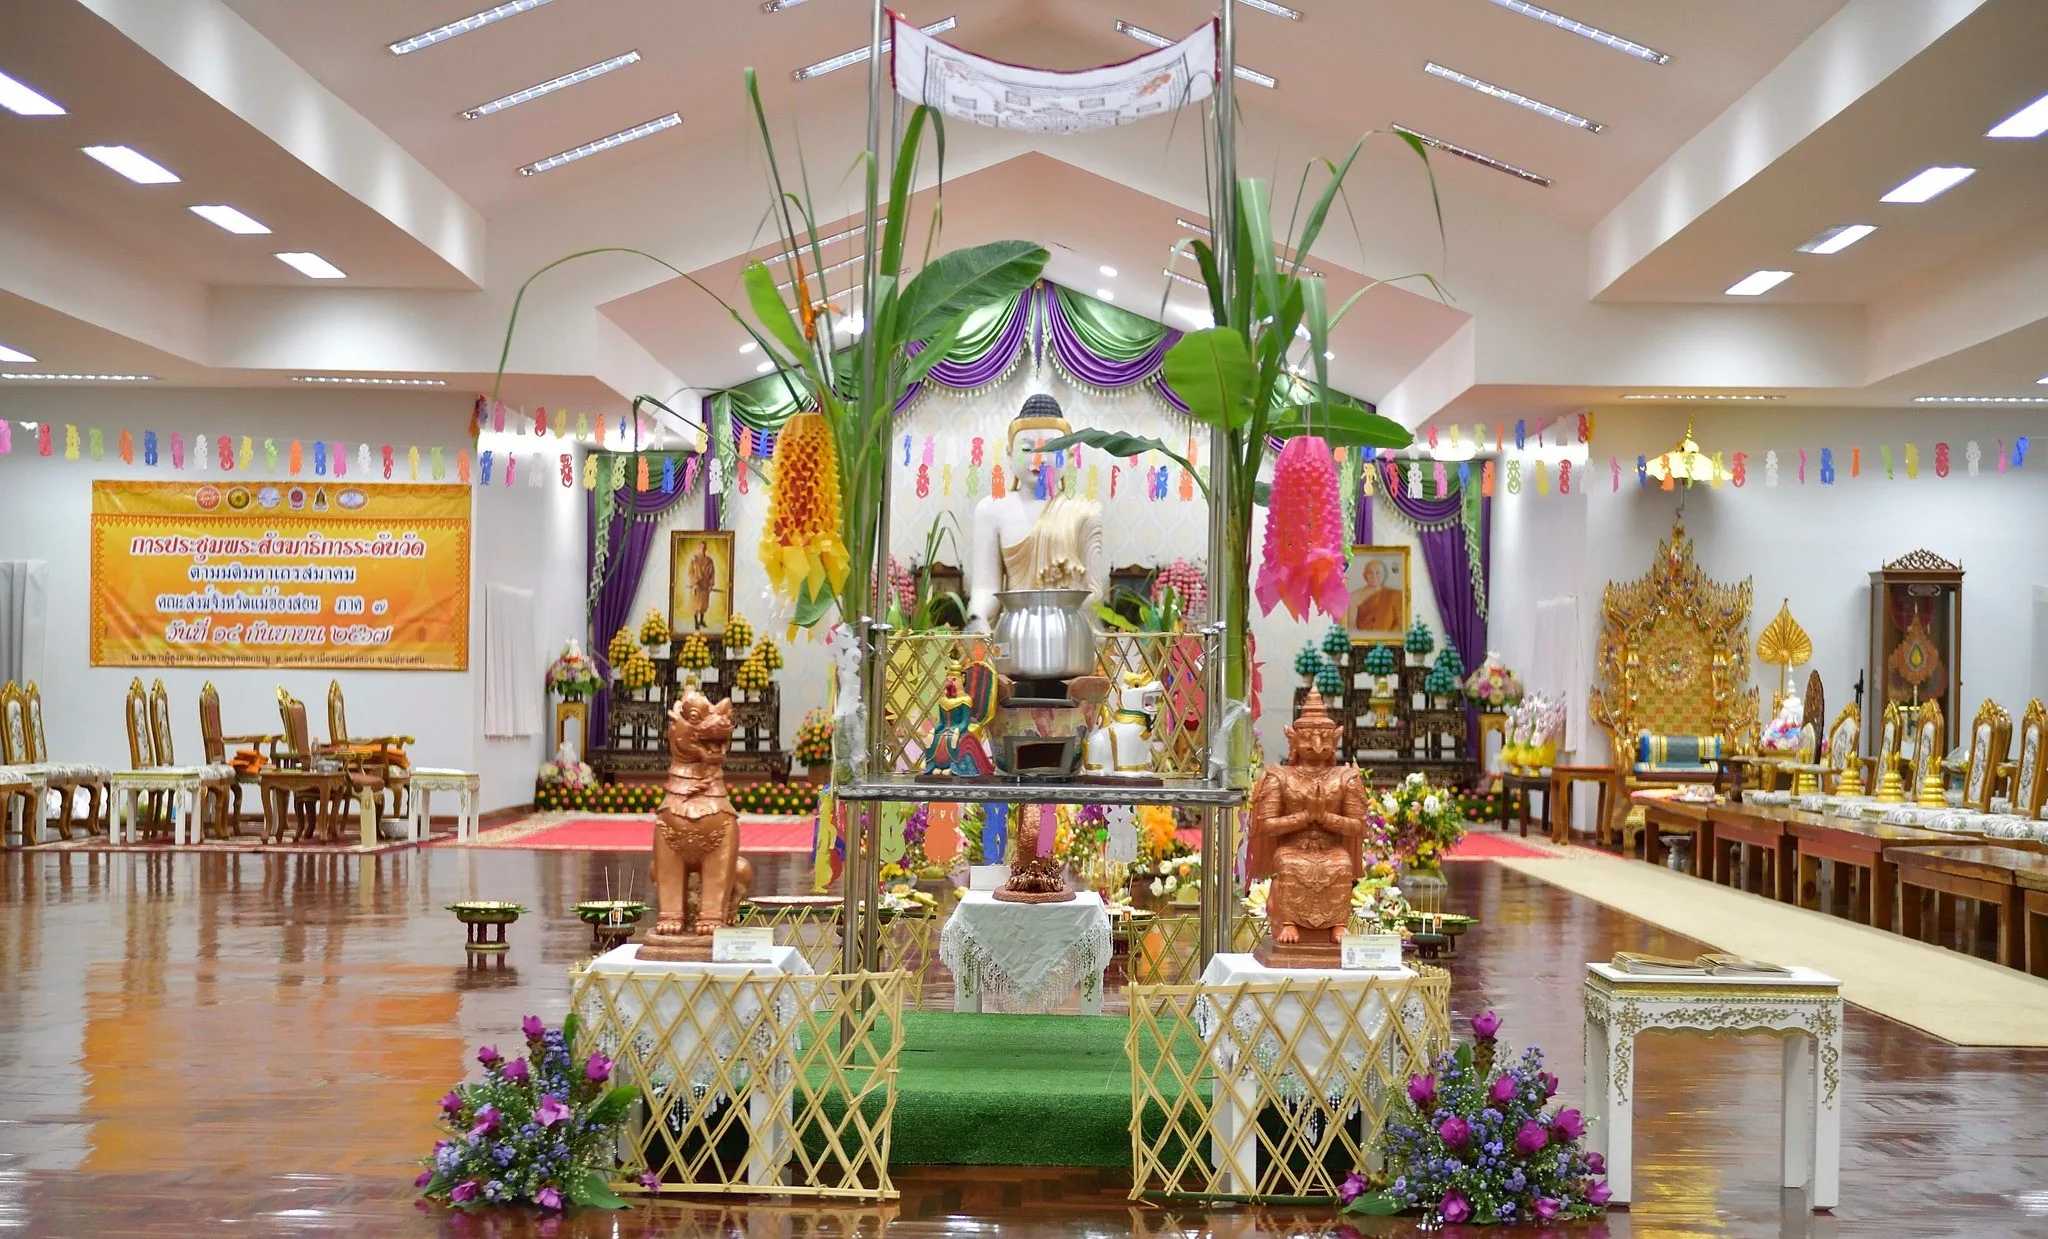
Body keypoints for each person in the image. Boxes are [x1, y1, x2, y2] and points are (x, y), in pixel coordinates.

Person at [1351, 557, 1403, 634]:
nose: (1374, 576)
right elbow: (1351, 625)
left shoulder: (1395, 595)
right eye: (1370, 573)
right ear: (1364, 575)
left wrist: (1387, 637)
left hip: (1388, 638)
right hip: (1364, 638)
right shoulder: (1354, 596)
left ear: (1384, 575)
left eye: (1378, 572)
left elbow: (1400, 623)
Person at [687, 541, 717, 629]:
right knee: (695, 605)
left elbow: (712, 573)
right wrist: (695, 583)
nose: (702, 549)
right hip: (697, 587)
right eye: (701, 547)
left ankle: (701, 621)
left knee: (704, 604)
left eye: (704, 547)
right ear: (698, 548)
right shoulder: (694, 560)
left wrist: (711, 584)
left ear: (706, 548)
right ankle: (696, 622)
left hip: (705, 586)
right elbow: (690, 572)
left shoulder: (709, 561)